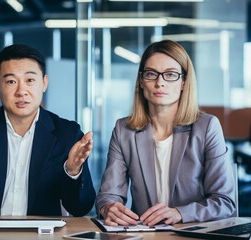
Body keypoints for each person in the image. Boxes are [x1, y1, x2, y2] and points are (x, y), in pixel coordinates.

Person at [0, 44, 96, 218]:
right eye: (11, 82)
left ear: (44, 83)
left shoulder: (67, 134)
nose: (21, 91)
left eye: (30, 80)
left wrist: (73, 172)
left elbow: (81, 208)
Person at [95, 40, 236, 226]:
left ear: (184, 82)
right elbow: (108, 195)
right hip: (145, 235)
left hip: (192, 234)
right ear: (141, 80)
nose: (159, 82)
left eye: (170, 74)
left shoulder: (207, 127)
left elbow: (225, 202)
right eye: (151, 74)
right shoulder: (124, 130)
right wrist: (108, 207)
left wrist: (179, 213)